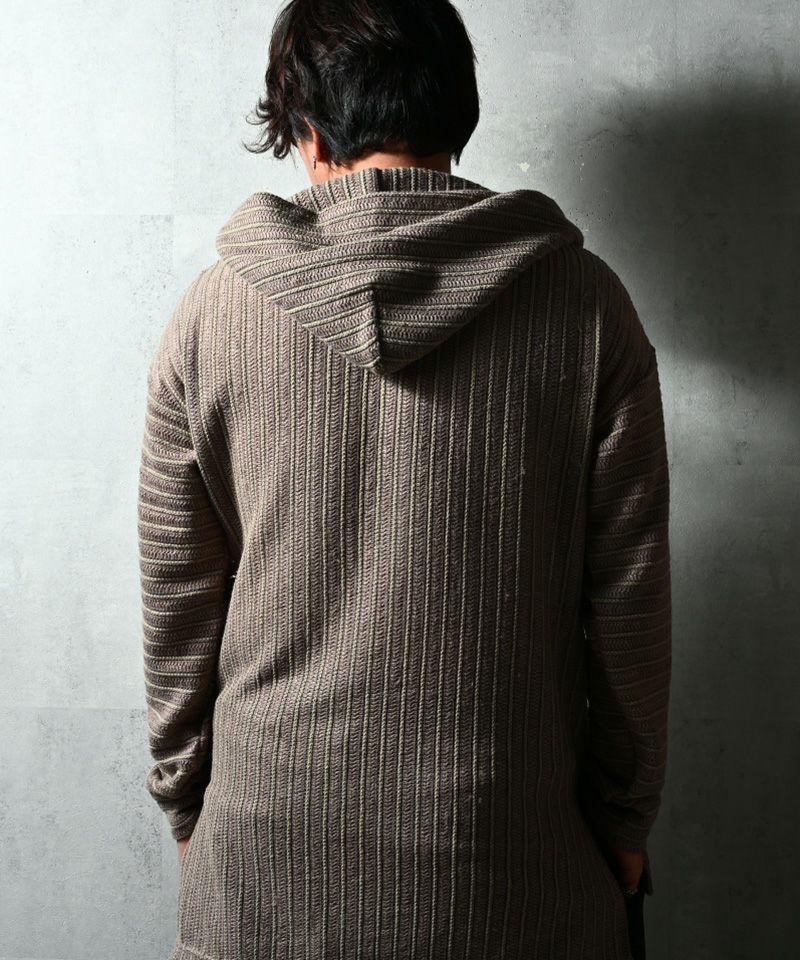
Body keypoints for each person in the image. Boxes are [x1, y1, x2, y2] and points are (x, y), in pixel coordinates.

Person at [137, 1, 671, 958]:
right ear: (456, 113)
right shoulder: (587, 307)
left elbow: (179, 599)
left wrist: (185, 799)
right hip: (511, 864)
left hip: (264, 865)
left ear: (305, 128)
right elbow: (628, 605)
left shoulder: (211, 316)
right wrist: (625, 816)